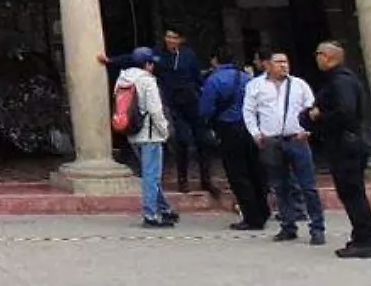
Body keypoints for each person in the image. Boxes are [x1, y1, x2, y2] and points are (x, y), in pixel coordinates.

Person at [103, 27, 215, 193]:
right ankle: (182, 180)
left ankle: (206, 180)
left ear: (180, 40)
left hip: (190, 101)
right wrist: (110, 60)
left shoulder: (188, 55)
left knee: (203, 140)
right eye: (168, 37)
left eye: (174, 37)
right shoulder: (158, 55)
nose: (170, 40)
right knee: (182, 140)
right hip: (172, 102)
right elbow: (134, 58)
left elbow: (197, 77)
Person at [243, 51, 326, 245]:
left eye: (285, 61)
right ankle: (288, 225)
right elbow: (248, 111)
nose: (283, 65)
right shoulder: (255, 86)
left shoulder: (299, 85)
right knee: (279, 186)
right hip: (271, 140)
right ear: (267, 65)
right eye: (278, 62)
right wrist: (256, 133)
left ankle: (317, 227)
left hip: (296, 138)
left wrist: (309, 131)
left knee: (308, 186)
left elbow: (312, 108)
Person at [306, 42, 371, 259]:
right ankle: (364, 237)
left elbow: (345, 113)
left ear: (328, 57)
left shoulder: (341, 82)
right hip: (347, 143)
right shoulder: (340, 80)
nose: (316, 58)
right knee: (352, 192)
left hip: (346, 145)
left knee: (352, 193)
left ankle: (363, 240)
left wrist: (318, 116)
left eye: (318, 54)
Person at [200, 50, 268, 231]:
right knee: (255, 170)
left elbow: (206, 109)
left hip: (229, 129)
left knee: (238, 174)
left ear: (215, 60)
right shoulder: (247, 78)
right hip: (251, 127)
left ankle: (251, 217)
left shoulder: (214, 80)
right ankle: (263, 210)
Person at [116, 47, 177, 228]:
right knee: (152, 176)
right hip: (150, 134)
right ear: (147, 64)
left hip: (132, 132)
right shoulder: (147, 81)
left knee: (149, 173)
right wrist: (165, 130)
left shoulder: (122, 79)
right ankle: (151, 214)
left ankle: (164, 208)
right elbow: (155, 110)